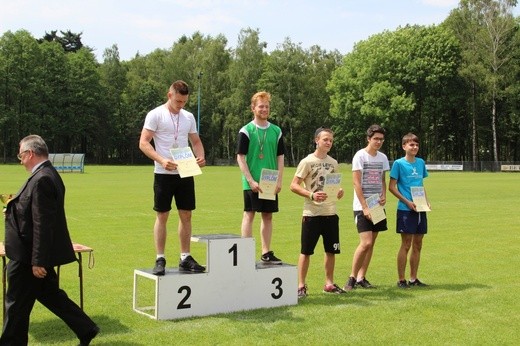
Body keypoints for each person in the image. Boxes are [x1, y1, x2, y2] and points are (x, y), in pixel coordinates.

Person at [1, 135, 99, 346]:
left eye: (21, 155)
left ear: (30, 154)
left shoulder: (43, 178)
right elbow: (34, 214)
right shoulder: (44, 175)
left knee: (16, 305)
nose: (20, 160)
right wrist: (13, 209)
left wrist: (39, 261)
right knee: (51, 295)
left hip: (27, 256)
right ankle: (86, 328)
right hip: (30, 253)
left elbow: (43, 224)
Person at [139, 80, 206, 275]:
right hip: (163, 172)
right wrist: (161, 160)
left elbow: (196, 141)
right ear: (170, 95)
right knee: (163, 214)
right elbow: (143, 142)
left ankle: (185, 257)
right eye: (178, 101)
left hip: (185, 170)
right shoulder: (155, 114)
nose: (181, 105)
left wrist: (200, 155)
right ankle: (160, 258)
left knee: (186, 214)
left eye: (184, 102)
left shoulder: (188, 117)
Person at [290, 128, 345, 298]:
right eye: (325, 139)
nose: (328, 143)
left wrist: (339, 191)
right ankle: (301, 286)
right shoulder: (307, 162)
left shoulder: (333, 162)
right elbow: (294, 185)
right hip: (311, 214)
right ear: (317, 140)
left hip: (330, 213)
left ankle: (329, 283)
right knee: (306, 251)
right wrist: (311, 194)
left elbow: (334, 185)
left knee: (331, 250)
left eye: (331, 140)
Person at [237, 91, 285, 264]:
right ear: (253, 108)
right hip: (252, 180)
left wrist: (279, 179)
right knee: (249, 214)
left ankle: (266, 252)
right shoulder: (246, 130)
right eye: (261, 106)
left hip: (270, 180)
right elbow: (240, 157)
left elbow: (280, 157)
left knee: (267, 215)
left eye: (267, 106)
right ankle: (245, 253)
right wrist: (250, 180)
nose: (264, 109)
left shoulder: (276, 131)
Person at [344, 124, 389, 291]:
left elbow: (382, 179)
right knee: (365, 242)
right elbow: (356, 183)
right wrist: (364, 207)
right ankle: (352, 277)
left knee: (372, 243)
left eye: (381, 139)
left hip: (376, 204)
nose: (378, 142)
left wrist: (384, 195)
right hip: (362, 205)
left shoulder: (383, 158)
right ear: (368, 139)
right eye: (376, 139)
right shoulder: (360, 156)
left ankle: (362, 277)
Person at [389, 133, 429, 288]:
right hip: (405, 209)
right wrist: (407, 201)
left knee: (418, 244)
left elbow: (420, 184)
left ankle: (413, 278)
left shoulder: (420, 163)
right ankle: (401, 279)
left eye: (417, 145)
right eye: (411, 145)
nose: (415, 147)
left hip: (420, 208)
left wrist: (426, 201)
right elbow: (391, 187)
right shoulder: (398, 164)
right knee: (406, 244)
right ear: (404, 146)